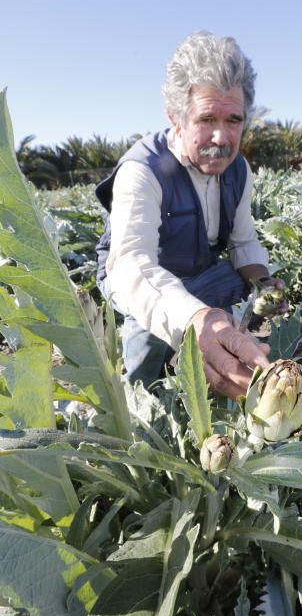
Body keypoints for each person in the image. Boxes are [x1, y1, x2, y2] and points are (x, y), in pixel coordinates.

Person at [95, 31, 285, 399]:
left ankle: (209, 354)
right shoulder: (144, 169)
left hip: (196, 273)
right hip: (137, 280)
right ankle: (139, 402)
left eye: (233, 120)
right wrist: (198, 319)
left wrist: (264, 284)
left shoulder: (238, 170)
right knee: (148, 330)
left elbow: (243, 241)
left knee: (240, 286)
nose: (221, 137)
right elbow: (132, 265)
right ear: (176, 118)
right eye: (206, 118)